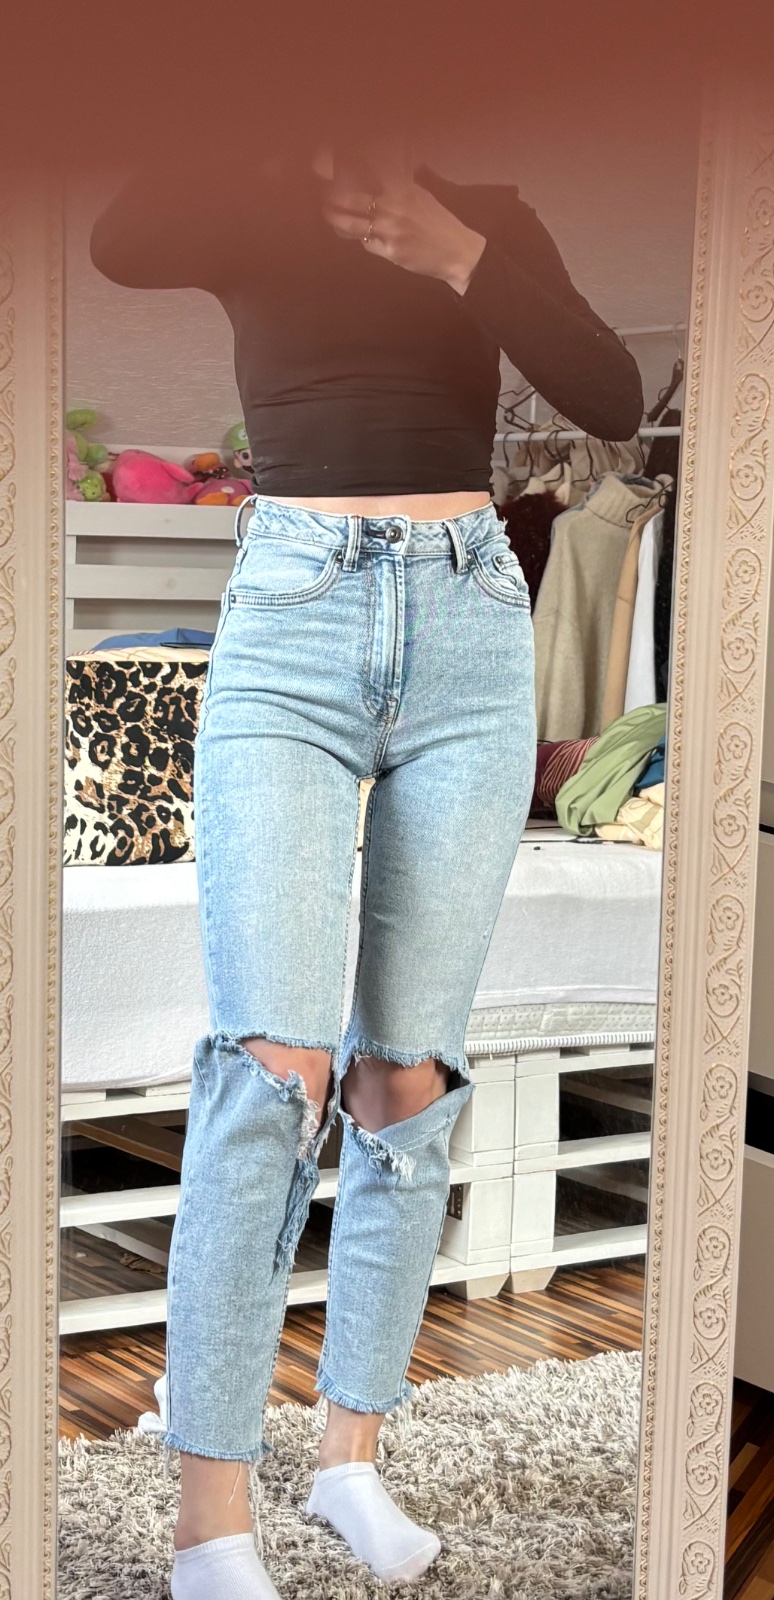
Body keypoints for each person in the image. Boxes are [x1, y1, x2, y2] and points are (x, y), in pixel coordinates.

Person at [91, 134, 643, 1600]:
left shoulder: (491, 207)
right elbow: (118, 239)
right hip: (294, 617)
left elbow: (608, 396)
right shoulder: (240, 188)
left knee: (408, 1074)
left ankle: (350, 1460)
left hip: (470, 626)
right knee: (272, 1070)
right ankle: (210, 1521)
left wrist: (455, 249)